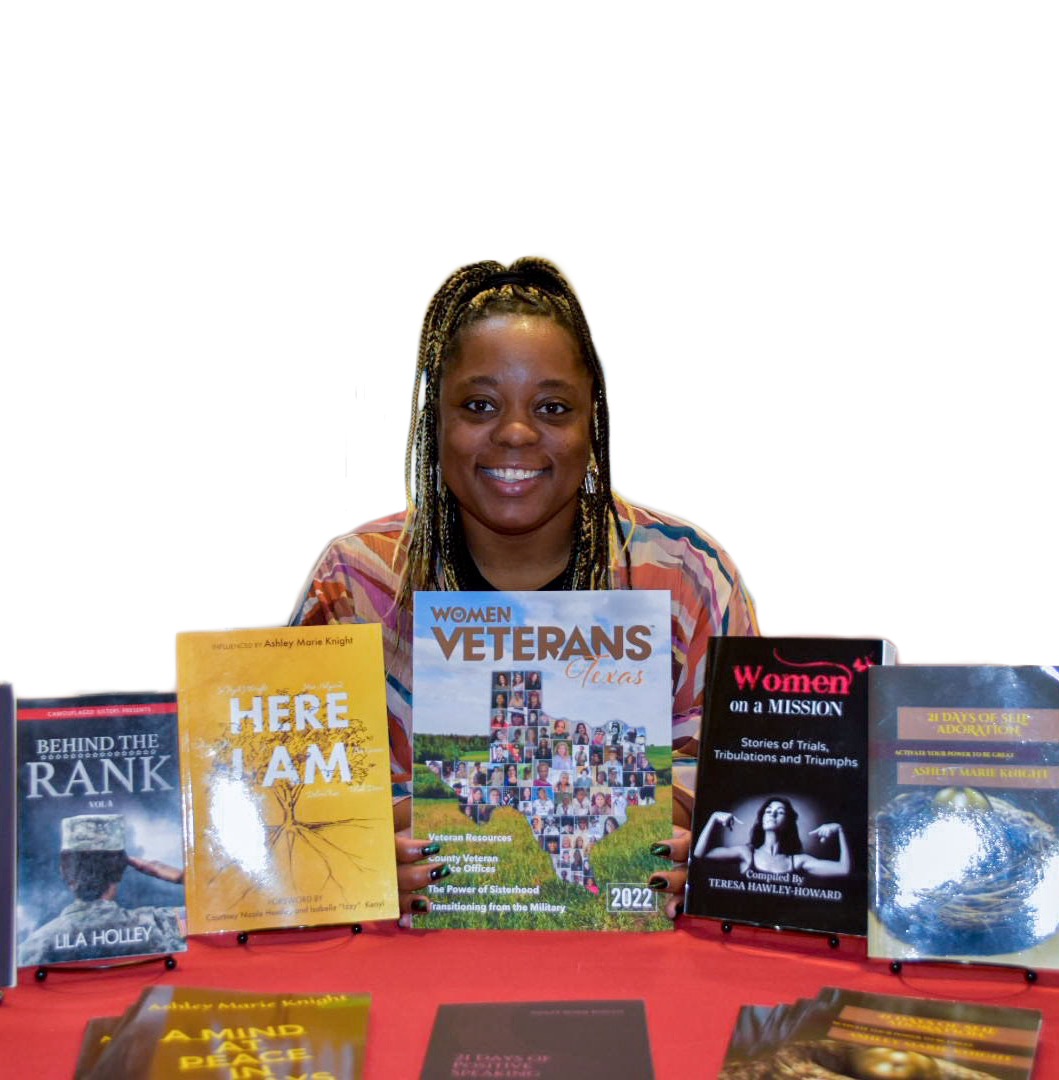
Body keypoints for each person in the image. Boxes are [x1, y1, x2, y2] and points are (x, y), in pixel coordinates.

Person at [292, 258, 756, 915]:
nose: (515, 432)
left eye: (553, 407)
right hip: (405, 966)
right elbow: (287, 804)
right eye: (479, 405)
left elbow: (755, 788)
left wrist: (709, 854)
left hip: (649, 965)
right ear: (435, 421)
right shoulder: (358, 583)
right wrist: (351, 859)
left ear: (591, 422)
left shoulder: (687, 578)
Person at [17, 814, 185, 967]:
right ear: (120, 870)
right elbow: (210, 915)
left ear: (64, 872)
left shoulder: (33, 947)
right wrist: (181, 877)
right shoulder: (163, 926)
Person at [693, 798, 850, 878]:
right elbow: (700, 854)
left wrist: (840, 830)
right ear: (762, 819)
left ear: (788, 823)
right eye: (768, 811)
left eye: (780, 812)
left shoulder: (798, 861)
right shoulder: (746, 853)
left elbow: (844, 869)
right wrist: (713, 818)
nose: (772, 814)